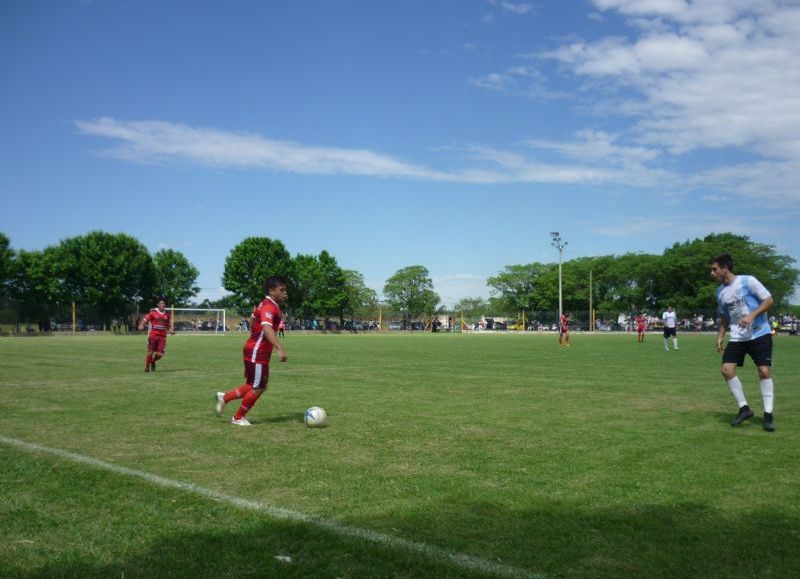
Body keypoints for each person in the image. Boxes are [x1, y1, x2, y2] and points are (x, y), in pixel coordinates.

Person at [711, 253, 776, 432]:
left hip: (760, 333)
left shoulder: (748, 281)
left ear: (725, 268)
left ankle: (768, 415)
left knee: (763, 371)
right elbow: (724, 317)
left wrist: (752, 315)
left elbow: (769, 300)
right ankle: (744, 409)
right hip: (738, 336)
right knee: (726, 369)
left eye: (715, 269)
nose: (712, 273)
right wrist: (720, 336)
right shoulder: (720, 292)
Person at [215, 276, 288, 426]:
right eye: (282, 290)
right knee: (259, 386)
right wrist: (279, 348)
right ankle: (238, 417)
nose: (285, 293)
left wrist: (254, 336)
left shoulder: (265, 304)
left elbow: (252, 318)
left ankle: (225, 398)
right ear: (271, 291)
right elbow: (267, 328)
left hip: (253, 348)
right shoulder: (269, 306)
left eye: (285, 290)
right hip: (258, 351)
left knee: (252, 384)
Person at [139, 297, 173, 372]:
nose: (163, 305)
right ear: (158, 304)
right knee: (150, 352)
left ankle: (153, 361)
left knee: (160, 354)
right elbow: (145, 319)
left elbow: (167, 325)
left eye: (164, 303)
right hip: (153, 335)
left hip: (162, 336)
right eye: (161, 303)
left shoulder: (167, 315)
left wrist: (170, 330)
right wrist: (141, 325)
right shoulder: (153, 312)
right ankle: (147, 367)